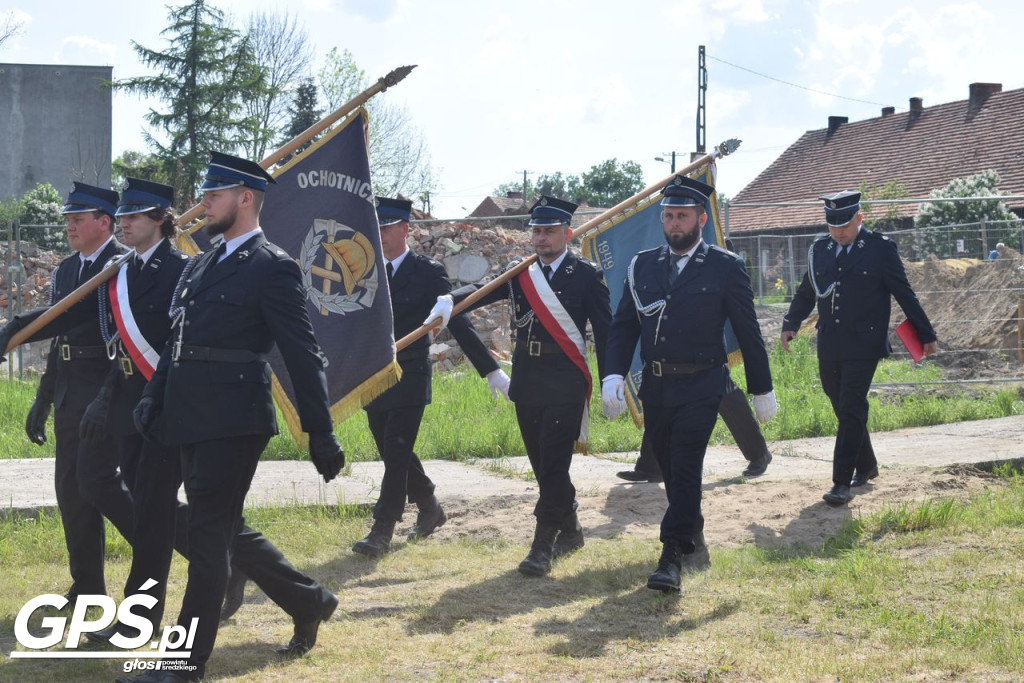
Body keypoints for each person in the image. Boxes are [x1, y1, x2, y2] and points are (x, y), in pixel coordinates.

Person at [122, 152, 345, 683]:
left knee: (206, 539)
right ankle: (308, 600)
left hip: (234, 417)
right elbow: (177, 342)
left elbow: (302, 352)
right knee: (219, 530)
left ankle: (182, 664)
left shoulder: (273, 265)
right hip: (186, 413)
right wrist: (154, 396)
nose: (204, 204)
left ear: (245, 198)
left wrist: (320, 429)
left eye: (214, 195)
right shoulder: (202, 261)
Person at [602, 175, 777, 593]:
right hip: (658, 389)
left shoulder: (724, 266)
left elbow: (747, 330)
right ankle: (694, 538)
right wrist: (612, 372)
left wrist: (761, 387)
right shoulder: (642, 264)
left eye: (682, 216)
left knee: (685, 468)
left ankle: (670, 558)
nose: (674, 223)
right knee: (671, 470)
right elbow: (625, 324)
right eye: (669, 216)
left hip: (703, 385)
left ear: (701, 219)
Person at [428, 195, 611, 577]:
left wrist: (613, 377)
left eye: (549, 231)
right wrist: (450, 298)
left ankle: (542, 544)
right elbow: (480, 291)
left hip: (565, 379)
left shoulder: (586, 275)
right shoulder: (521, 271)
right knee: (543, 465)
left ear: (567, 233)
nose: (541, 238)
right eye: (536, 231)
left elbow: (607, 333)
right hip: (528, 378)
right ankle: (572, 526)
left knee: (555, 460)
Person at [351, 196, 510, 557]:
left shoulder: (428, 271)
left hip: (409, 371)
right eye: (376, 228)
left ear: (405, 229)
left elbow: (456, 317)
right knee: (394, 450)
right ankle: (429, 506)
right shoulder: (367, 270)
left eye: (387, 227)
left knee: (395, 449)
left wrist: (490, 369)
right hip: (374, 375)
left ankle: (382, 529)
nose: (381, 234)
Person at [0, 182, 132, 605]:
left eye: (78, 219)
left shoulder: (121, 264)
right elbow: (59, 339)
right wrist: (44, 396)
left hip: (106, 385)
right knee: (71, 490)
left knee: (98, 484)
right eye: (68, 220)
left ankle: (165, 542)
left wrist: (107, 395)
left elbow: (122, 336)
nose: (70, 226)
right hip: (71, 386)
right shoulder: (66, 269)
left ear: (104, 222)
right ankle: (88, 584)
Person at [781, 190, 937, 507]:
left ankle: (841, 482)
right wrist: (790, 323)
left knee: (851, 406)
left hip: (865, 343)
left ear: (860, 218)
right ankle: (867, 464)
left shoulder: (879, 249)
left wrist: (925, 333)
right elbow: (807, 291)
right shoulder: (820, 250)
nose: (838, 231)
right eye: (833, 224)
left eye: (845, 224)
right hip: (830, 342)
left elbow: (904, 293)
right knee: (840, 403)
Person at [617, 376, 774, 482]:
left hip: (706, 338)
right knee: (662, 387)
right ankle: (652, 465)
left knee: (721, 388)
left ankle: (759, 453)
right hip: (672, 336)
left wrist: (762, 386)